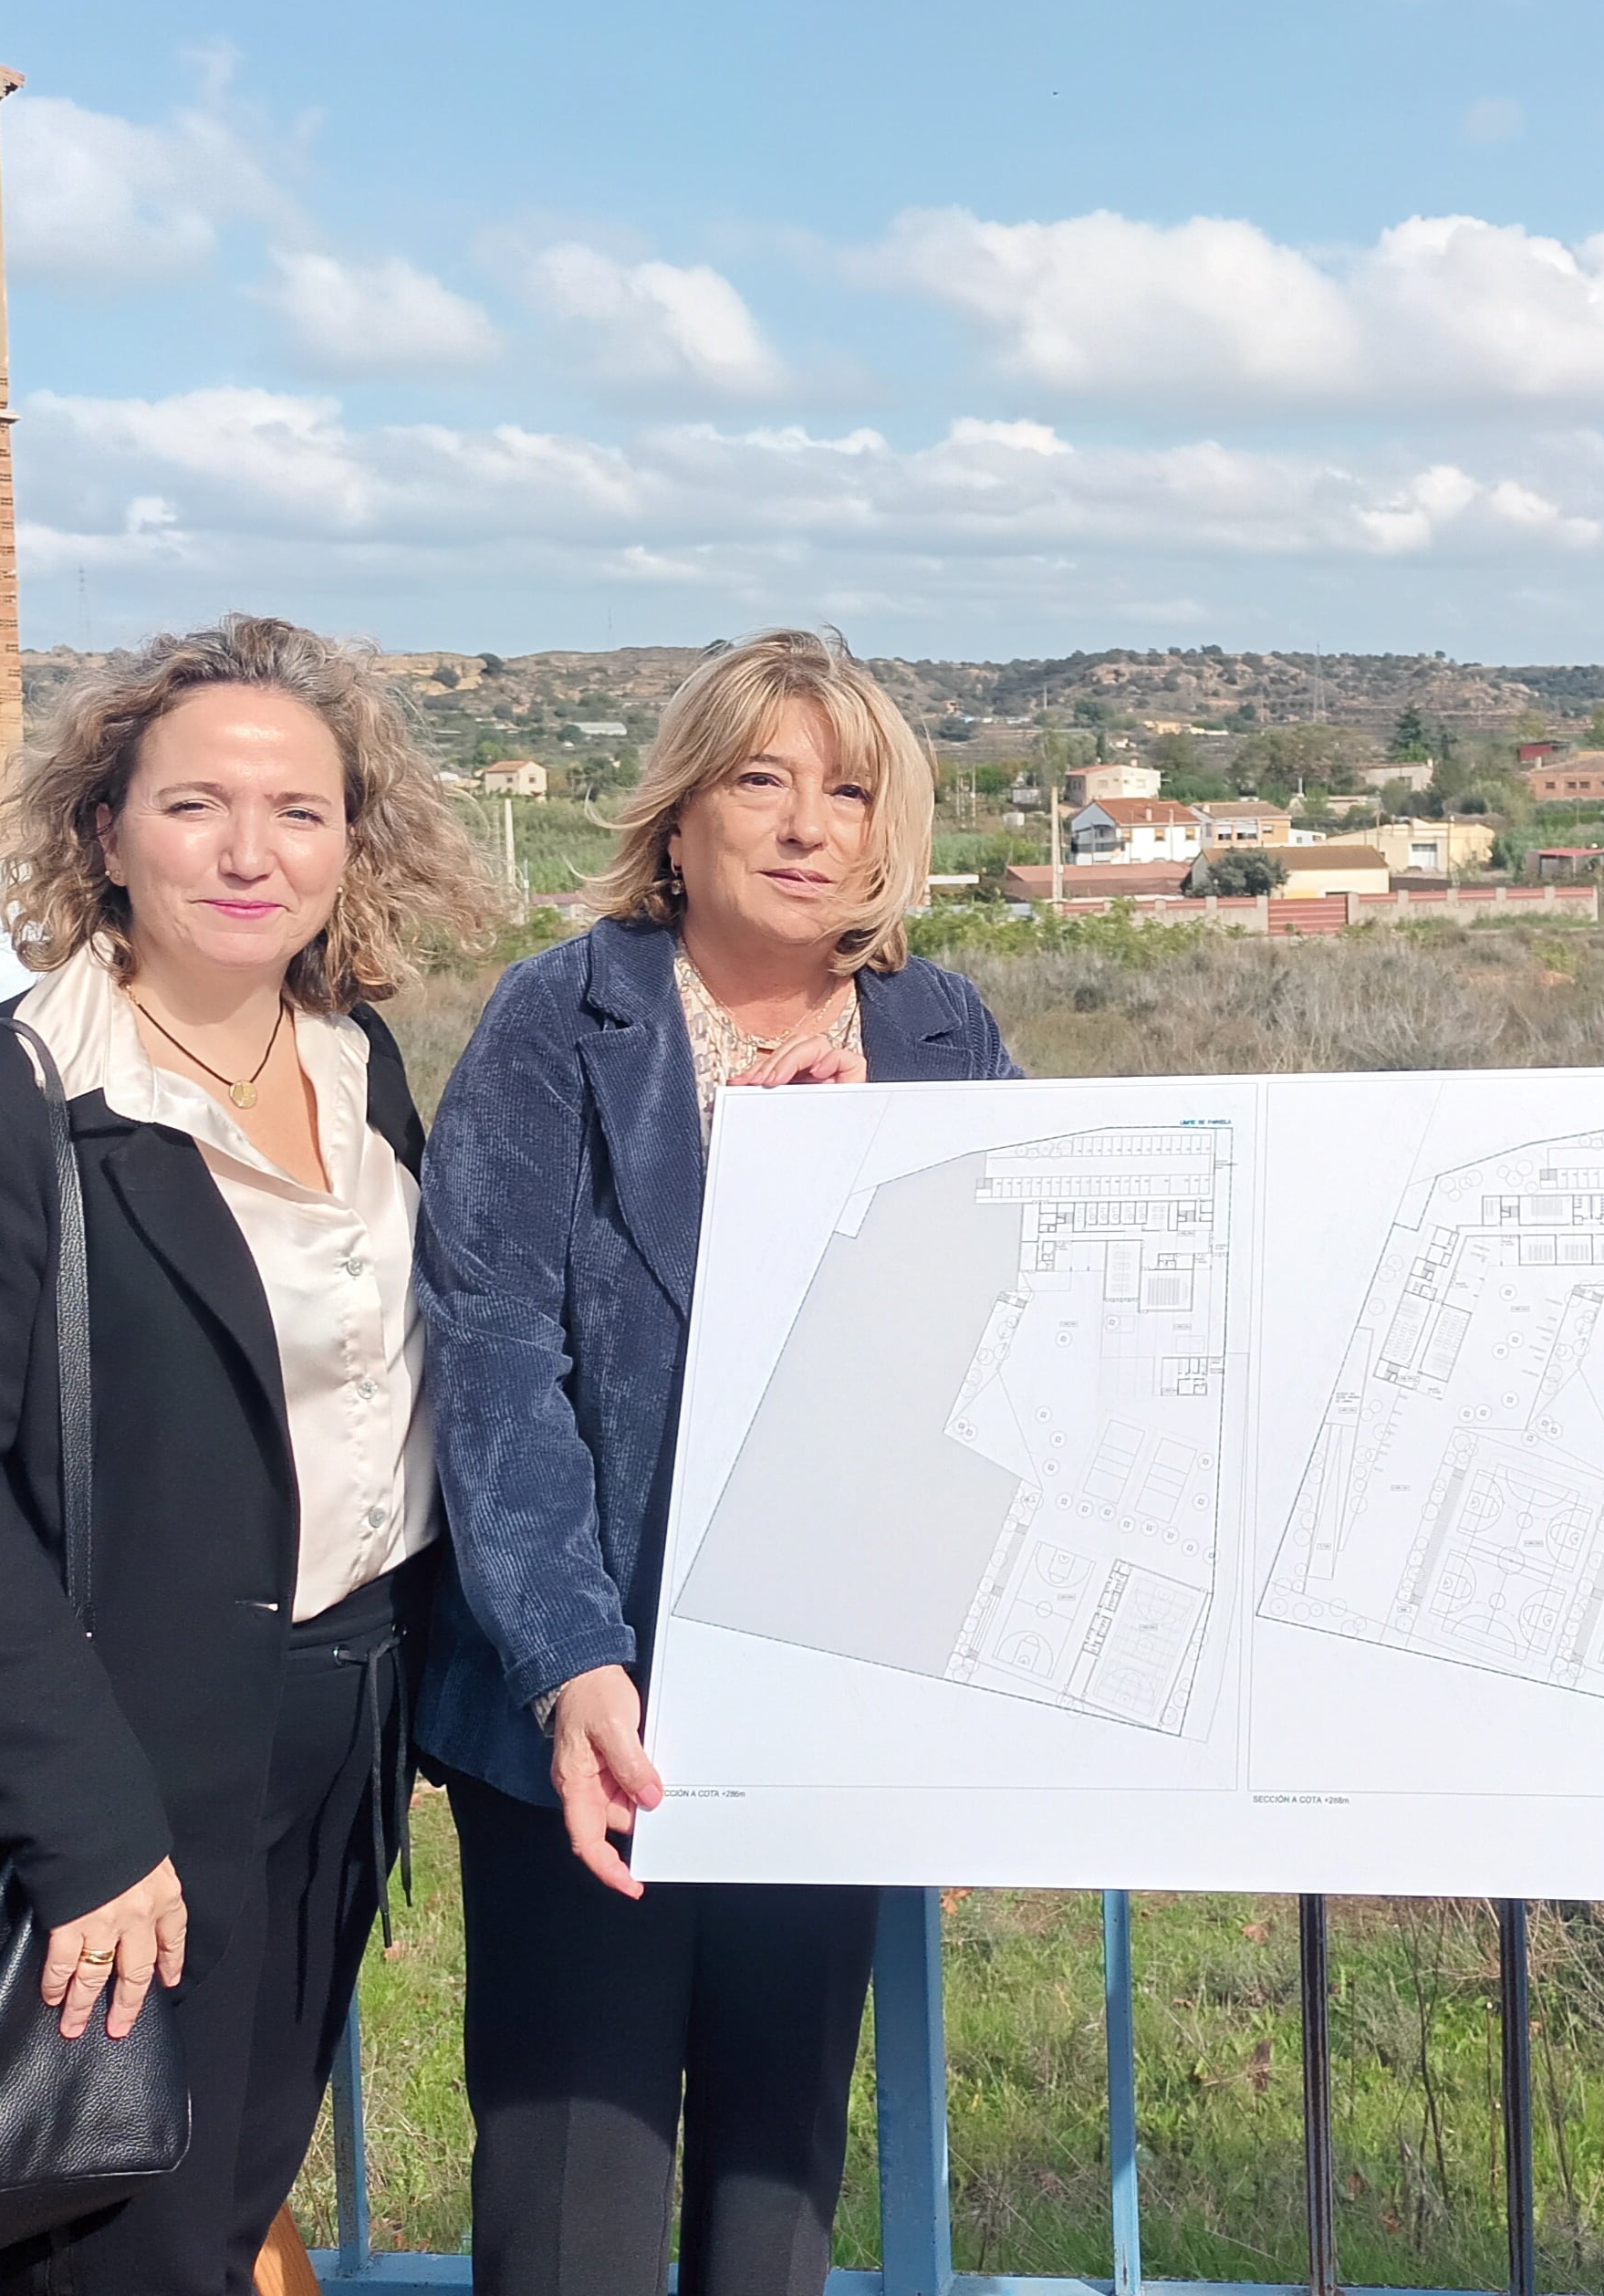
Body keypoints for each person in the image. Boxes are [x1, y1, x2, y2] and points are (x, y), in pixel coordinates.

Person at [0, 617, 500, 2295]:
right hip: (113, 1759)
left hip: (334, 1732)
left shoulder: (355, 1064)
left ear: (359, 843)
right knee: (124, 2241)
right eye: (197, 805)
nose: (253, 852)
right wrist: (92, 1832)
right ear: (105, 830)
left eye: (303, 810)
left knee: (235, 2183)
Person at [414, 627, 1020, 2296]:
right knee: (573, 2198)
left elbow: (1025, 1350)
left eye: (850, 790)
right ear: (679, 815)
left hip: (820, 1705)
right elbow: (491, 1353)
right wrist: (570, 1664)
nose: (807, 824)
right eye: (761, 778)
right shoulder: (561, 1017)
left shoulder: (941, 1035)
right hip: (580, 1719)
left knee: (774, 2191)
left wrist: (859, 1187)